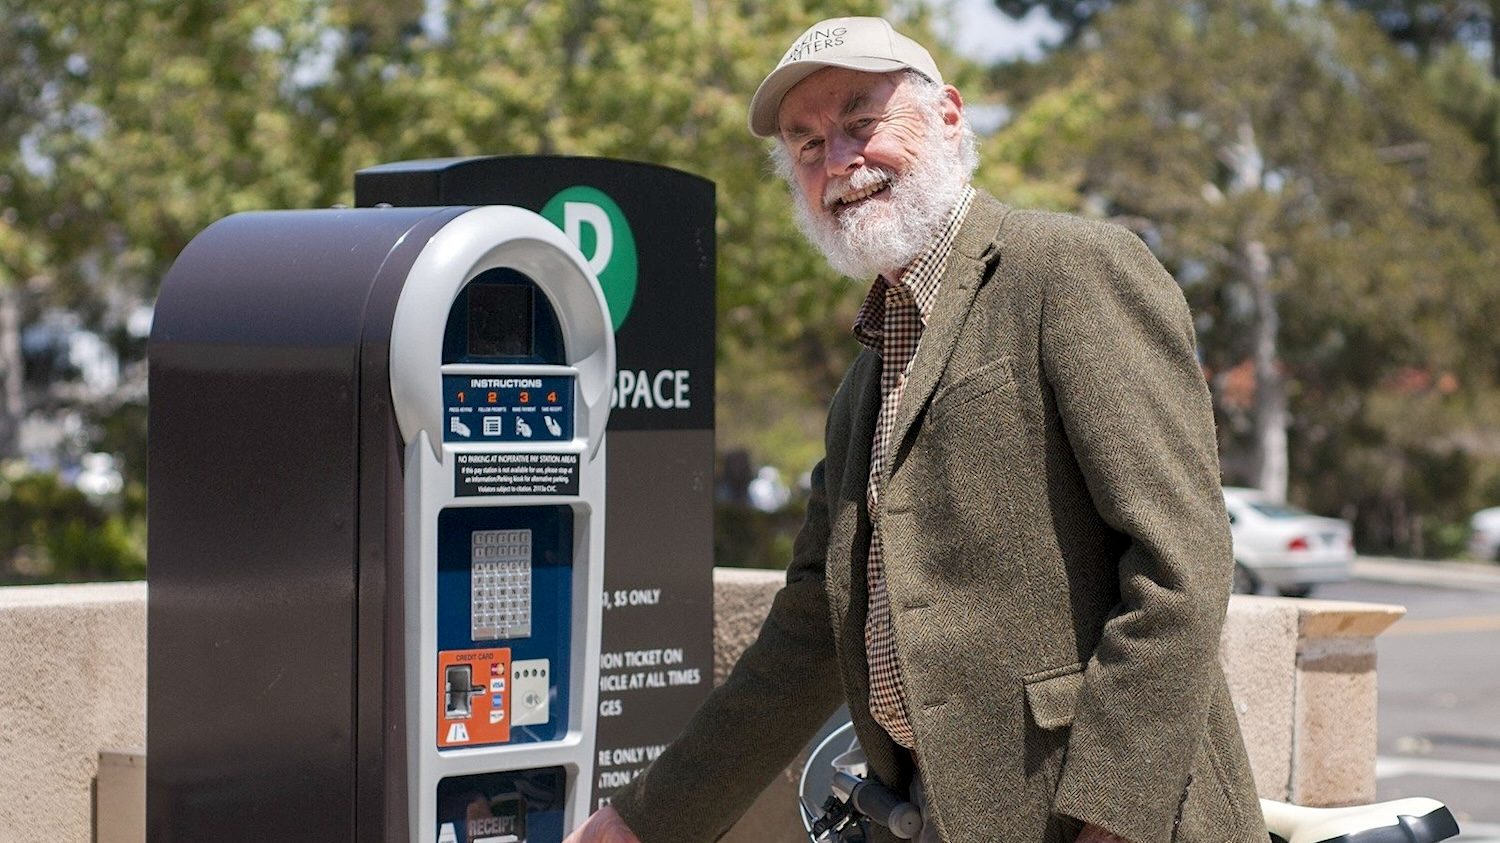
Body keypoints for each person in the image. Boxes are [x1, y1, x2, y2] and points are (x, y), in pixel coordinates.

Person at [566, 16, 1264, 843]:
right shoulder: (862, 381)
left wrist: (1110, 822)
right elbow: (808, 631)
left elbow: (1181, 566)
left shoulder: (1070, 270)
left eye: (862, 124)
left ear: (949, 116)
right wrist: (644, 820)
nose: (839, 163)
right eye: (808, 144)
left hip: (1108, 820)